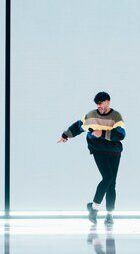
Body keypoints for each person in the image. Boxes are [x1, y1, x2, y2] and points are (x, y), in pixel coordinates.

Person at [58, 92, 126, 226]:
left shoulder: (116, 116)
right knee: (107, 178)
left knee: (112, 184)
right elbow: (78, 126)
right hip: (98, 149)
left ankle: (109, 215)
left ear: (108, 102)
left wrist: (103, 133)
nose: (99, 107)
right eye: (97, 105)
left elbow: (121, 134)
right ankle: (94, 209)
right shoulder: (92, 115)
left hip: (114, 151)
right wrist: (65, 135)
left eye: (101, 104)